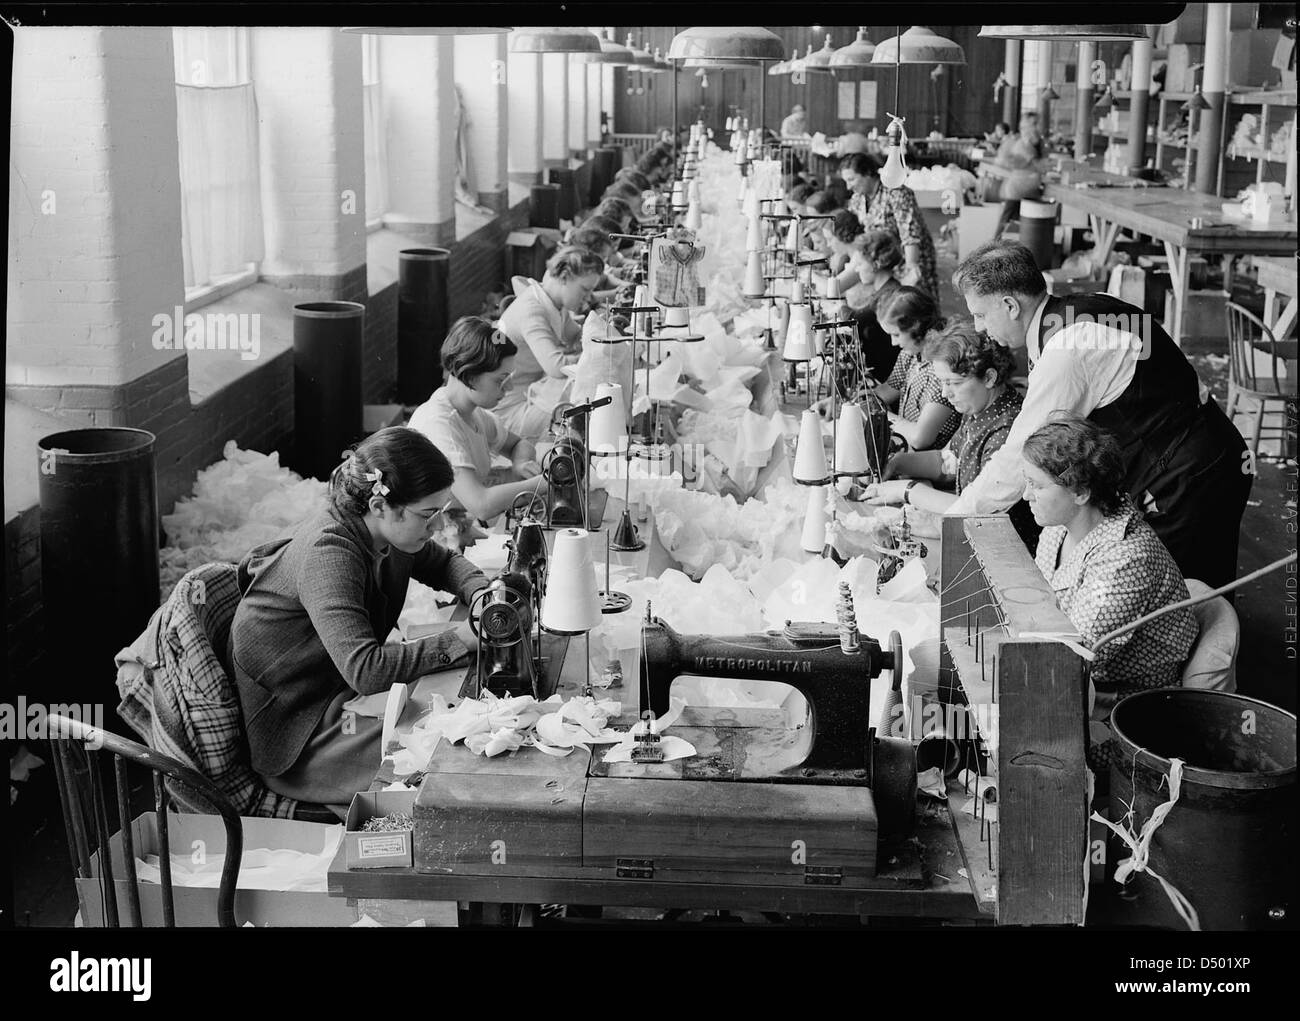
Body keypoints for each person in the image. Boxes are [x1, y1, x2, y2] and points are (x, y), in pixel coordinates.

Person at [948, 241, 1251, 589]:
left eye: (981, 314)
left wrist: (955, 521)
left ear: (1010, 305)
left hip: (1191, 471)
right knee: (1195, 585)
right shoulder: (1079, 308)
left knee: (1178, 595)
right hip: (1205, 450)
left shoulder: (1068, 349)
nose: (980, 327)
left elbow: (1019, 457)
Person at [230, 428, 488, 816]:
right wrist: (463, 639)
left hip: (337, 699)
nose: (436, 527)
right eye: (426, 515)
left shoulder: (388, 535)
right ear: (381, 504)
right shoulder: (330, 552)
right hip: (302, 734)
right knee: (448, 758)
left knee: (460, 731)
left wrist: (482, 594)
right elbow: (365, 671)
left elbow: (445, 562)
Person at [1022, 416, 1197, 770]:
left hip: (1123, 713)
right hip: (1080, 688)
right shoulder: (1059, 528)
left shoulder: (1126, 557)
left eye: (1036, 486)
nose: (1026, 495)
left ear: (1081, 492)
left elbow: (1070, 660)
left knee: (1012, 749)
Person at [862, 322, 1038, 548]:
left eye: (953, 383)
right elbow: (948, 462)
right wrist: (898, 463)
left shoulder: (1007, 429)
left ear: (989, 378)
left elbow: (975, 509)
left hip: (1000, 547)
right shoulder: (980, 408)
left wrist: (906, 491)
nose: (946, 393)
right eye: (942, 383)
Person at [408, 317, 546, 523]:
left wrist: (520, 463)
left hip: (457, 525)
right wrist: (544, 484)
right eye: (500, 380)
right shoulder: (439, 424)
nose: (508, 389)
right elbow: (481, 505)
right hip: (431, 538)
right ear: (471, 376)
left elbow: (519, 443)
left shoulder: (471, 413)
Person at [496, 246, 604, 441]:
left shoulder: (553, 303)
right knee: (590, 414)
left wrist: (602, 338)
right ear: (564, 277)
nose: (588, 298)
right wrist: (600, 353)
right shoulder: (532, 311)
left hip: (530, 393)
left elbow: (577, 337)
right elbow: (556, 366)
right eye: (585, 290)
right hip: (510, 411)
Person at [851, 287, 961, 452]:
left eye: (896, 335)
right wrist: (849, 403)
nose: (892, 343)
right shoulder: (910, 355)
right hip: (903, 450)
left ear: (916, 326)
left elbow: (920, 438)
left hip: (927, 465)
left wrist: (879, 415)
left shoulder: (942, 369)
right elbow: (886, 392)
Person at [840, 152, 940, 301]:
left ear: (867, 173)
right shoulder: (857, 199)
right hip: (882, 265)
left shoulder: (897, 193)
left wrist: (911, 269)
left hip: (909, 259)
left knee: (916, 305)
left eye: (851, 179)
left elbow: (910, 235)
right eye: (845, 181)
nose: (848, 186)